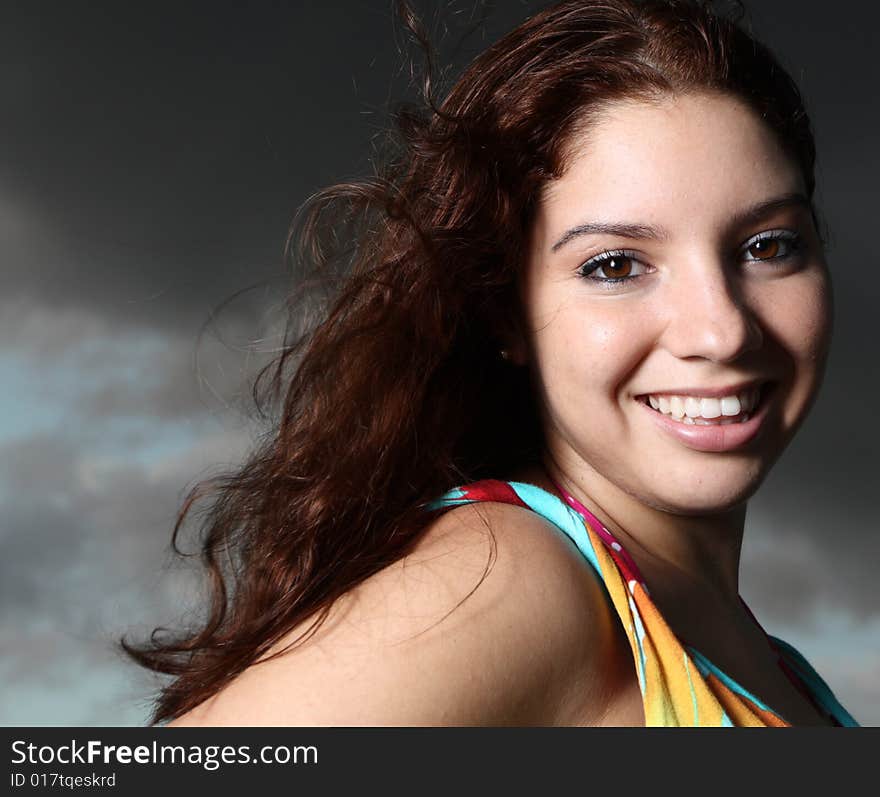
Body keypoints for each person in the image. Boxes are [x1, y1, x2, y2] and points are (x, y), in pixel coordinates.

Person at [126, 0, 859, 726]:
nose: (721, 329)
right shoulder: (515, 582)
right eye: (615, 265)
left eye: (768, 246)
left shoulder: (781, 668)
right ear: (505, 311)